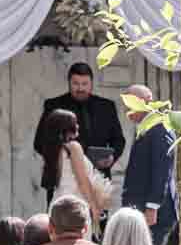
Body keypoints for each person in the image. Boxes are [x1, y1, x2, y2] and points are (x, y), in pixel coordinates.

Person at [32, 62, 125, 193]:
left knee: (97, 213)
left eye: (84, 84)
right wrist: (64, 159)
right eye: (76, 83)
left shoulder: (106, 107)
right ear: (69, 83)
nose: (80, 88)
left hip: (97, 179)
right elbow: (39, 142)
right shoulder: (53, 105)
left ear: (91, 83)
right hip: (63, 180)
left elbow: (119, 140)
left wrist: (111, 158)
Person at [117, 84, 177, 244]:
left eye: (129, 106)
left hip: (152, 211)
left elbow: (162, 170)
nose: (125, 111)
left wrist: (152, 206)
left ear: (143, 103)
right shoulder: (146, 127)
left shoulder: (159, 128)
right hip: (138, 205)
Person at [39, 108, 112, 220]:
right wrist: (94, 206)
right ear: (65, 127)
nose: (77, 126)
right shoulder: (73, 147)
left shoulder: (52, 150)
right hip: (75, 206)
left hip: (57, 204)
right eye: (75, 123)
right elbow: (83, 180)